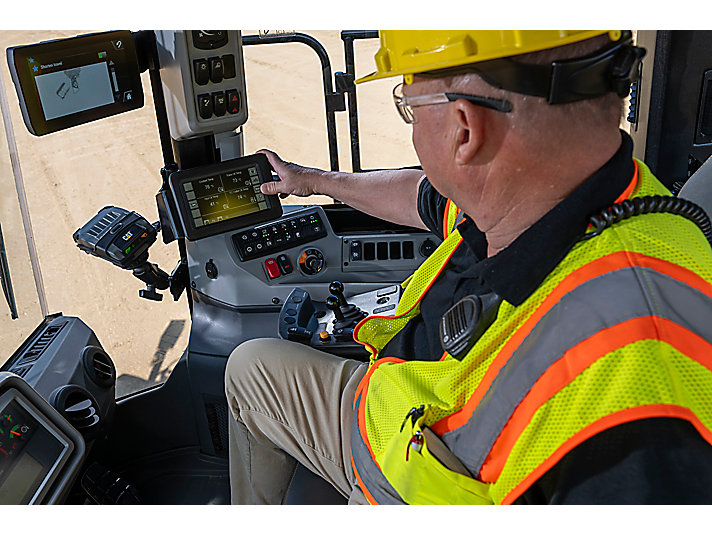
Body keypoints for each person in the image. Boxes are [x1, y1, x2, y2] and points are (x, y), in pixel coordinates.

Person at [224, 30, 712, 504]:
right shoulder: (534, 194)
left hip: (411, 488)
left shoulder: (639, 395)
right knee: (250, 369)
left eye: (409, 108)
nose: (412, 127)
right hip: (393, 413)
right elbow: (421, 197)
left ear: (465, 128)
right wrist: (312, 181)